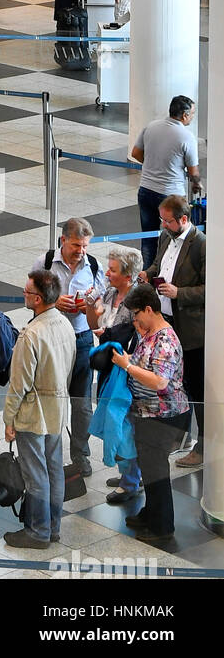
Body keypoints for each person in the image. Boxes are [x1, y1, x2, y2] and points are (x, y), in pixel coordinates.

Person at [109, 284, 191, 543]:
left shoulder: (165, 339)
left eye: (136, 314)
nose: (134, 320)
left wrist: (128, 367)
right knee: (149, 468)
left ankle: (162, 526)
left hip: (164, 416)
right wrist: (129, 358)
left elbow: (160, 382)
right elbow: (144, 360)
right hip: (147, 414)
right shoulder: (150, 332)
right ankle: (150, 513)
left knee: (156, 472)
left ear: (148, 309)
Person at [2, 268, 78, 548]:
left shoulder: (30, 335)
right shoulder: (65, 325)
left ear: (37, 299)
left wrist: (9, 419)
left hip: (33, 414)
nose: (24, 294)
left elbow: (18, 384)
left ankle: (38, 531)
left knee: (35, 475)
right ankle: (53, 527)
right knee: (54, 469)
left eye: (27, 291)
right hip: (58, 408)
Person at [142, 195, 206, 468]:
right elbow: (159, 265)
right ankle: (178, 438)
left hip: (191, 331)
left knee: (195, 388)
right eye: (162, 220)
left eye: (168, 220)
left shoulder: (201, 245)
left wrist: (179, 292)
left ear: (184, 219)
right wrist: (149, 273)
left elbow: (211, 288)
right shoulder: (166, 236)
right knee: (172, 385)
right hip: (167, 323)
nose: (164, 225)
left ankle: (203, 446)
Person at [40, 216, 104, 476]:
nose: (81, 251)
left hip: (82, 339)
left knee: (81, 404)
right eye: (77, 245)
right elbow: (31, 300)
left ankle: (81, 455)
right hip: (52, 339)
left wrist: (89, 307)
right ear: (63, 240)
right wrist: (55, 303)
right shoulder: (45, 263)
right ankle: (49, 454)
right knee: (50, 399)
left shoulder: (94, 266)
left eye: (85, 246)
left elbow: (101, 305)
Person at [85, 244, 143, 504]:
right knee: (115, 421)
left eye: (113, 270)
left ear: (128, 276)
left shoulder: (138, 303)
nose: (107, 274)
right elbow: (94, 324)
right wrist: (91, 311)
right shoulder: (109, 294)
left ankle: (131, 481)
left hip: (126, 374)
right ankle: (127, 473)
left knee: (124, 423)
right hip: (108, 369)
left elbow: (141, 340)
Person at [130, 95, 200, 268]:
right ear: (184, 115)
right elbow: (193, 171)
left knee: (149, 237)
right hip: (171, 196)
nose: (192, 116)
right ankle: (170, 274)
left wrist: (154, 164)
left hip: (145, 190)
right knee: (176, 238)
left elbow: (136, 153)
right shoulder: (186, 136)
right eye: (192, 113)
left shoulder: (151, 126)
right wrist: (197, 184)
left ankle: (147, 276)